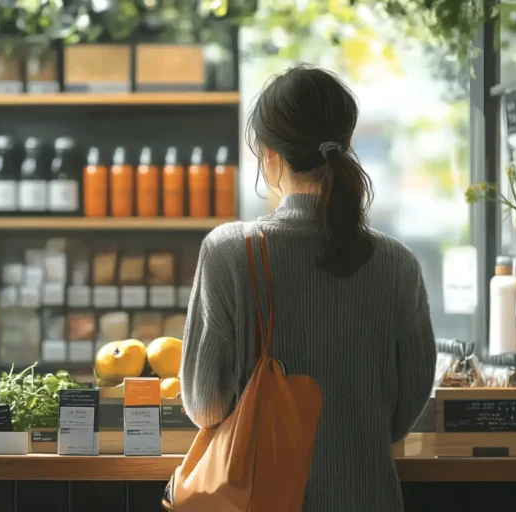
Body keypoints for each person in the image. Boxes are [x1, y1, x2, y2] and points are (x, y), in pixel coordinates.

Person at [180, 64, 436, 511]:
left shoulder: (228, 252)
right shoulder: (397, 264)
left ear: (269, 154)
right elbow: (399, 419)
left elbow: (205, 406)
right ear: (346, 145)